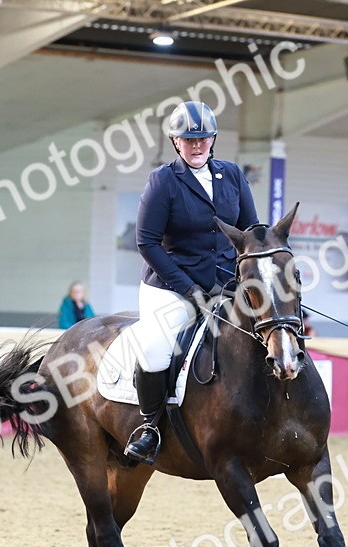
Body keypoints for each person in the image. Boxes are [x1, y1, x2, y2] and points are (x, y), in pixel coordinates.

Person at [124, 100, 259, 464]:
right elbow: (146, 242)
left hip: (226, 284)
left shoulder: (232, 175)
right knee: (156, 348)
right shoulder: (164, 180)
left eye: (203, 138)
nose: (196, 145)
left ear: (212, 139)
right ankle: (150, 428)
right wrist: (188, 288)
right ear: (175, 141)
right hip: (171, 285)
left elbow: (249, 231)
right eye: (188, 139)